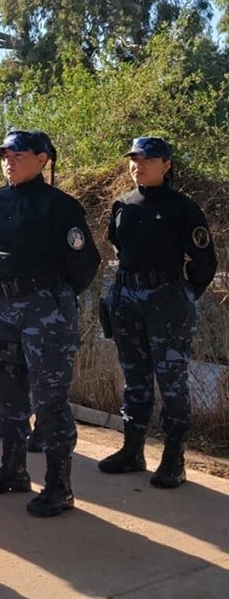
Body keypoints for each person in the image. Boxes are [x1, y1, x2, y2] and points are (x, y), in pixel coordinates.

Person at [0, 130, 101, 517]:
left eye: (18, 155)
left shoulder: (60, 206)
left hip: (44, 310)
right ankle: (13, 469)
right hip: (3, 307)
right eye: (4, 155)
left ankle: (59, 486)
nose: (8, 161)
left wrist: (53, 298)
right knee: (9, 392)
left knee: (49, 397)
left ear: (43, 159)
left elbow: (85, 263)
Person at [98, 136, 218, 488]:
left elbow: (204, 260)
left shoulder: (183, 208)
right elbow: (120, 248)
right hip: (128, 299)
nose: (138, 165)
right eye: (134, 159)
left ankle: (173, 457)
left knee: (171, 380)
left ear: (166, 164)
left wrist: (183, 294)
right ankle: (132, 450)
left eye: (147, 159)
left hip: (167, 302)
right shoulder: (123, 205)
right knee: (135, 378)